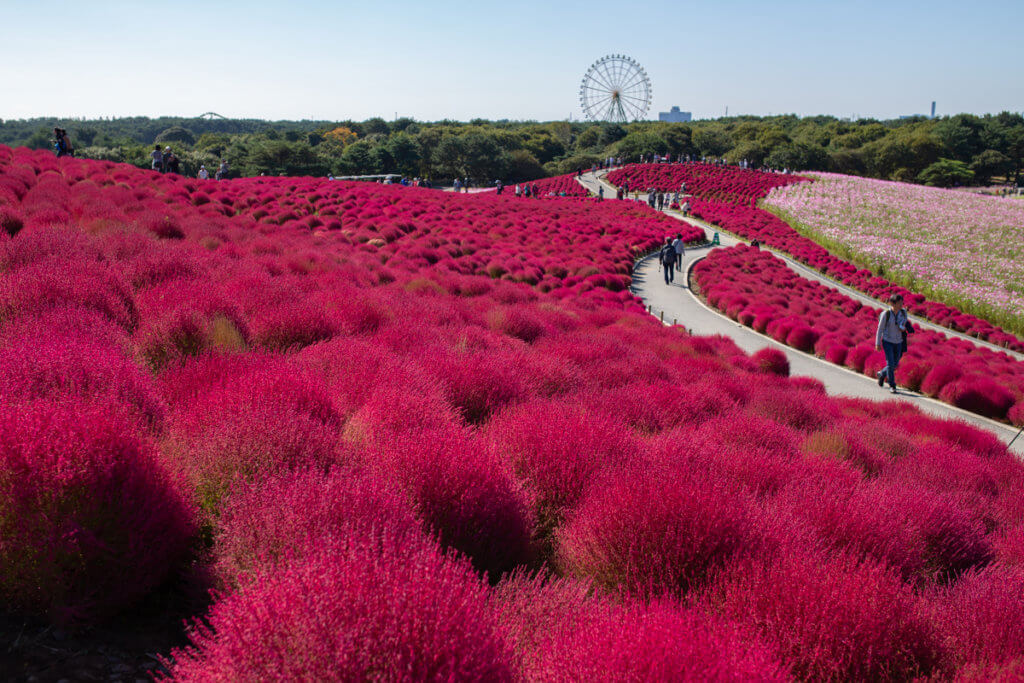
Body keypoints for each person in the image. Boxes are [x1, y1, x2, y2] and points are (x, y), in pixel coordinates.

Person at [875, 294, 911, 393]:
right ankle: (892, 385)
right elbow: (880, 329)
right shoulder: (886, 314)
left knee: (895, 364)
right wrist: (877, 343)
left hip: (899, 342)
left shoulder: (903, 313)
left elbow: (904, 324)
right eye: (899, 303)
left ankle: (882, 374)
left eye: (902, 303)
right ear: (892, 303)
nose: (901, 305)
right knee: (890, 364)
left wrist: (902, 328)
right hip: (887, 342)